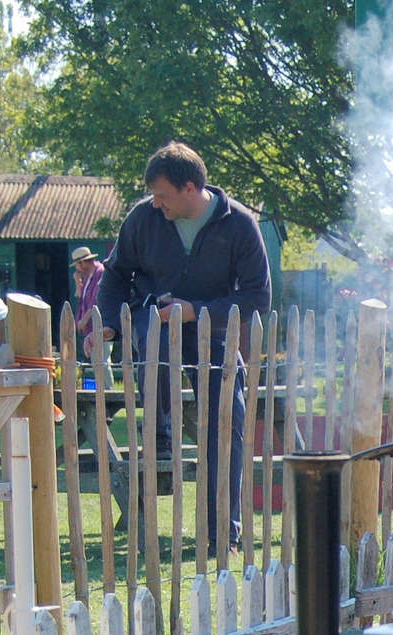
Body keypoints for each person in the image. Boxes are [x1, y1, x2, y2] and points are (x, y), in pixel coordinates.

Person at [99, 141, 272, 556]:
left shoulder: (240, 225)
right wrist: (107, 322)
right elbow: (116, 275)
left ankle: (221, 533)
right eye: (154, 196)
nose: (155, 203)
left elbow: (257, 297)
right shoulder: (142, 219)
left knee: (227, 421)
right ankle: (157, 432)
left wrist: (197, 311)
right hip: (155, 321)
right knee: (152, 340)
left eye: (162, 195)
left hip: (214, 335)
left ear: (190, 188)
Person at [71, 246, 106, 349]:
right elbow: (80, 297)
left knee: (102, 360)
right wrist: (78, 283)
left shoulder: (100, 273)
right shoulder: (88, 276)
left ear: (83, 263)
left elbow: (97, 300)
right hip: (90, 329)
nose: (76, 269)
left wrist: (84, 319)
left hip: (100, 326)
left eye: (76, 265)